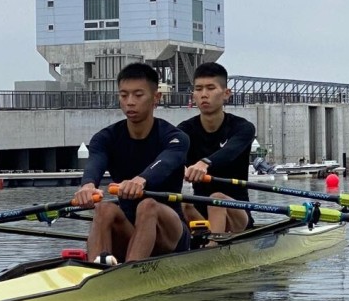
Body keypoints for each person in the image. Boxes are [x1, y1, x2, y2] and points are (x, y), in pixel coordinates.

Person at [73, 62, 191, 263]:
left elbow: (165, 164)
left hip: (170, 233)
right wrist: (87, 186)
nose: (129, 102)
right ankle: (95, 271)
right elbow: (95, 163)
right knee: (104, 208)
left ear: (156, 98)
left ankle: (129, 272)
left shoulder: (175, 138)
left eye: (138, 95)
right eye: (124, 95)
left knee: (147, 205)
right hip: (130, 229)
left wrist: (141, 180)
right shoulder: (106, 138)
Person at [178, 62, 257, 234]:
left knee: (217, 199)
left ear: (226, 94)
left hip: (237, 212)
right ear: (193, 95)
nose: (204, 94)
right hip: (199, 213)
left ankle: (213, 246)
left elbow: (229, 152)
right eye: (198, 89)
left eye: (210, 88)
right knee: (183, 202)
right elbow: (172, 155)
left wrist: (205, 162)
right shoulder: (183, 130)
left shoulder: (243, 128)